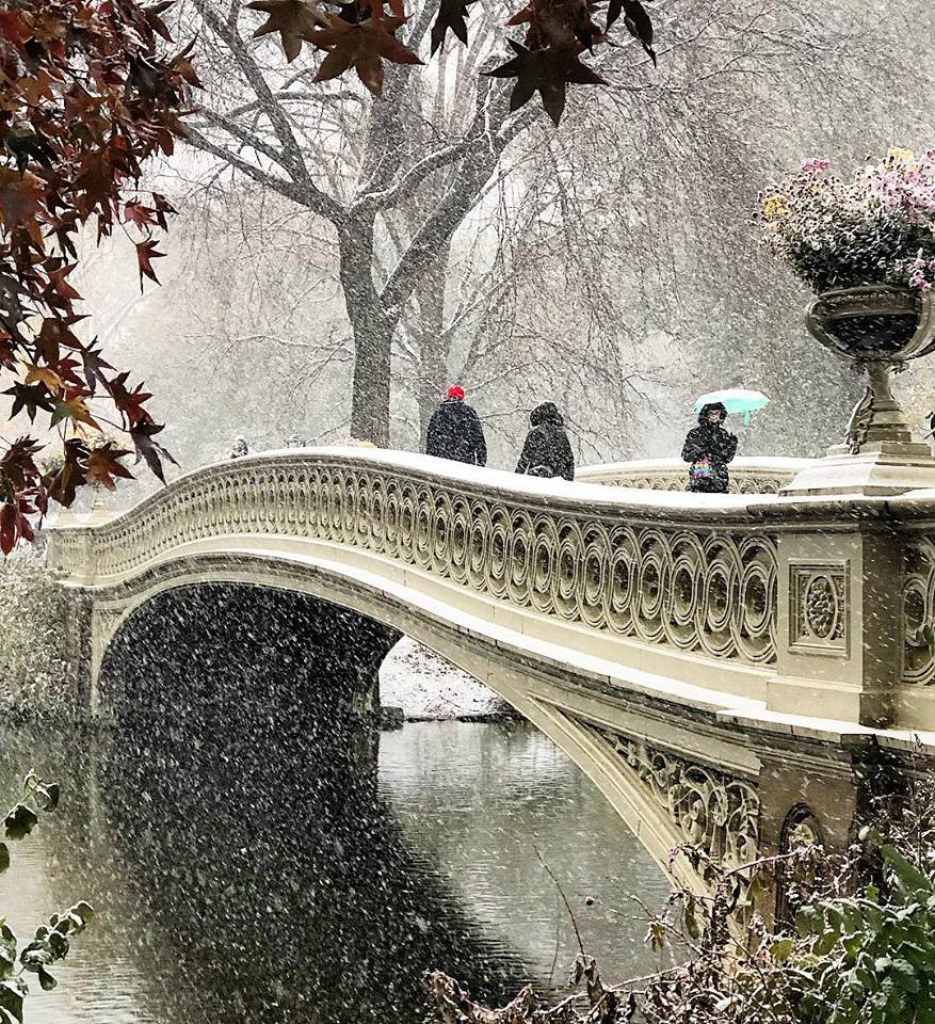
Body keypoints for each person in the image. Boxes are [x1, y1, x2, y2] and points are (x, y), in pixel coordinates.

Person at [681, 402, 737, 493]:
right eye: (711, 413)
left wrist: (732, 445)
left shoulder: (723, 434)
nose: (714, 416)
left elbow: (727, 458)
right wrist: (698, 449)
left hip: (720, 479)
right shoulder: (695, 433)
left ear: (721, 414)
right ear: (706, 414)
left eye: (717, 413)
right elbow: (685, 456)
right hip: (700, 478)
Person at [426, 386, 487, 466]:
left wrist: (430, 459)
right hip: (465, 460)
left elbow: (431, 439)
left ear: (449, 396)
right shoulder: (469, 414)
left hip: (442, 460)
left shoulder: (439, 413)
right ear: (462, 397)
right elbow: (478, 439)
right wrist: (481, 461)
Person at [515, 401, 575, 481]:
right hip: (557, 479)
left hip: (537, 477)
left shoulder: (536, 432)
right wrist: (567, 480)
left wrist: (516, 478)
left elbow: (524, 459)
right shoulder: (561, 434)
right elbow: (569, 460)